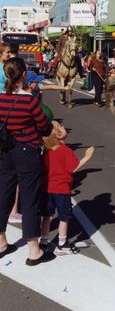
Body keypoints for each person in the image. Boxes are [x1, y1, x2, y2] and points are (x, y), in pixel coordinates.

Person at [0, 57, 54, 266]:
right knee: (29, 198)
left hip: (5, 151)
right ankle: (33, 249)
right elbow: (44, 126)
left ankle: (2, 242)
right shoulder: (29, 100)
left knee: (3, 193)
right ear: (23, 74)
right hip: (27, 151)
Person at [40, 121, 95, 254]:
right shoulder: (65, 150)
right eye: (61, 126)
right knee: (64, 217)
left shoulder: (46, 151)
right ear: (58, 135)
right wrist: (87, 157)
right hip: (62, 189)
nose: (64, 127)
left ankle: (43, 241)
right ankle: (62, 243)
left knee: (47, 215)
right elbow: (73, 168)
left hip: (47, 188)